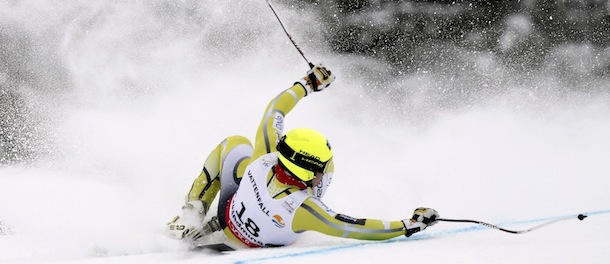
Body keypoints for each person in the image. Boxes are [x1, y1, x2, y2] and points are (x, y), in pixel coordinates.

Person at [166, 64, 439, 249]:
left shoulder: (267, 154)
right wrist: (409, 225)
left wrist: (307, 84)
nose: (323, 171)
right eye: (319, 167)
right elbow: (354, 228)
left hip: (234, 208)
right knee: (324, 174)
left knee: (235, 144)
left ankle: (191, 213)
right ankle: (194, 215)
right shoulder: (304, 209)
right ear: (306, 169)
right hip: (258, 232)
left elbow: (274, 110)